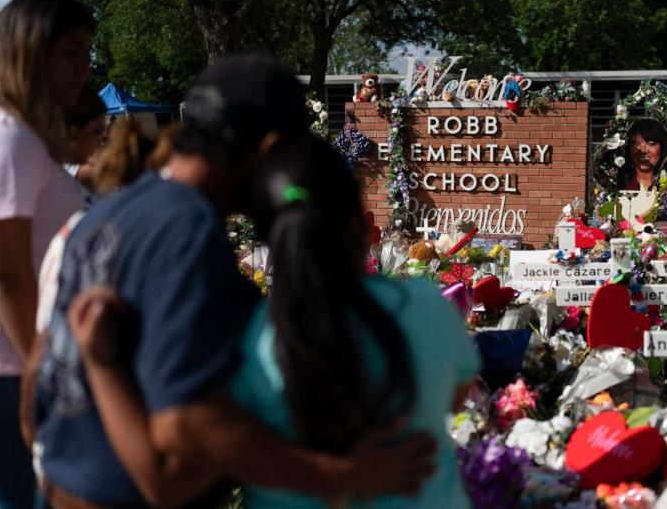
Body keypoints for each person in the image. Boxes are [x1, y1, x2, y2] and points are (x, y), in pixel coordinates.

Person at [29, 55, 438, 508]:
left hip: (61, 484)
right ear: (268, 149)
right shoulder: (186, 230)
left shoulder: (106, 212)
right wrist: (343, 476)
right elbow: (185, 427)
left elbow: (36, 376)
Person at [67, 134, 480, 508]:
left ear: (263, 231)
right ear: (360, 214)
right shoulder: (427, 306)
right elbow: (457, 396)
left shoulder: (249, 335)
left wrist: (102, 365)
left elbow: (171, 475)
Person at [0, 0, 93, 508]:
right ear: (31, 50)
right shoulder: (1, 137)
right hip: (2, 361)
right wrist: (41, 365)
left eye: (86, 53)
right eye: (71, 52)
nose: (83, 69)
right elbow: (6, 272)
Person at [65, 87, 107, 192]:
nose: (100, 140)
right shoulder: (66, 168)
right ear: (73, 131)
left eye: (102, 132)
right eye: (96, 132)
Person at [618, 118, 667, 190]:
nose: (643, 150)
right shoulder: (618, 185)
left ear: (663, 148)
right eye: (636, 144)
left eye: (651, 144)